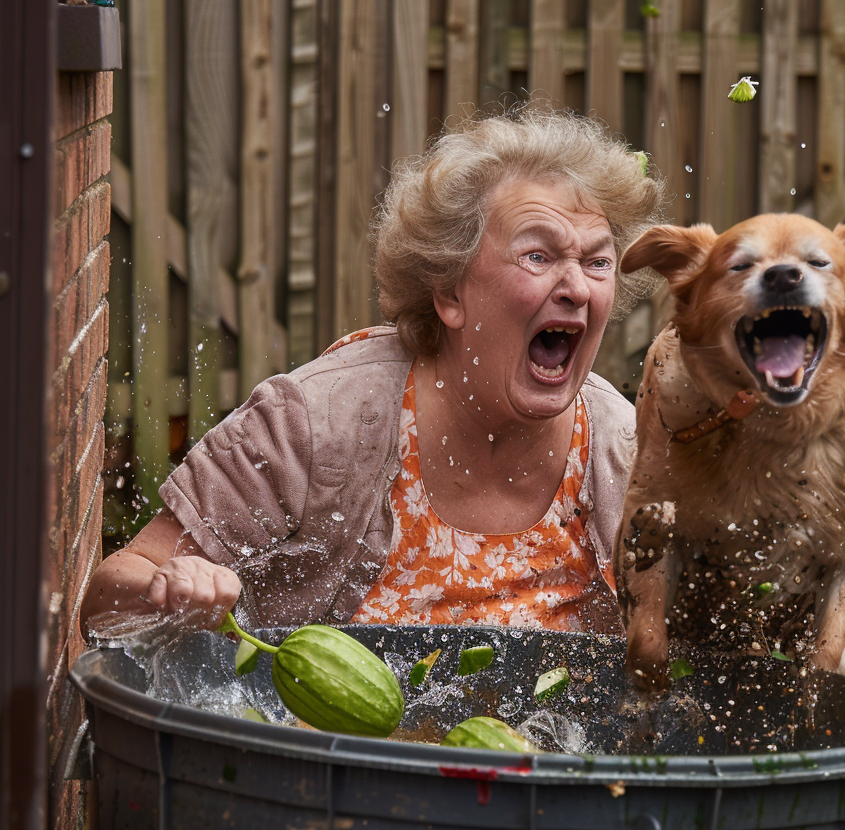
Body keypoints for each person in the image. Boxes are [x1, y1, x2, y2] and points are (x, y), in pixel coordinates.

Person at [80, 102, 665, 637]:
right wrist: (170, 591)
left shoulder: (625, 448)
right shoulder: (315, 424)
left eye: (597, 262)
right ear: (449, 292)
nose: (576, 288)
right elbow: (105, 602)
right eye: (538, 255)